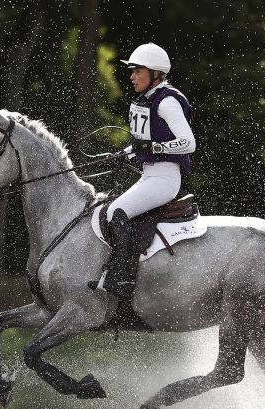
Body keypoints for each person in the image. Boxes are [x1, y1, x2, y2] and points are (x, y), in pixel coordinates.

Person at [89, 42, 196, 300]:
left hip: (165, 177)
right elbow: (142, 143)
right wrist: (123, 153)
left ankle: (122, 278)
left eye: (138, 71)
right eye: (133, 71)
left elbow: (188, 142)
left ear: (155, 73)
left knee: (117, 212)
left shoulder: (167, 102)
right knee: (110, 209)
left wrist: (155, 146)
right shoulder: (146, 99)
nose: (132, 76)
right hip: (149, 175)